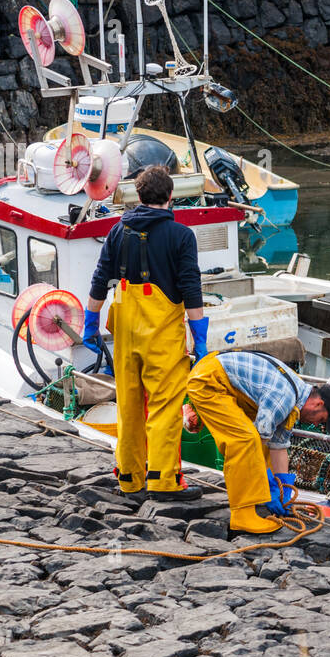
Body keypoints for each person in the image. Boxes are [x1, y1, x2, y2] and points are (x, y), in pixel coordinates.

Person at [83, 165, 209, 496]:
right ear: (170, 197)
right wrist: (201, 340)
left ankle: (129, 478)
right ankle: (163, 481)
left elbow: (100, 280)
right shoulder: (182, 236)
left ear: (138, 196)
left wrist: (90, 324)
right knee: (165, 407)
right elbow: (191, 291)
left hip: (125, 332)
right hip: (162, 336)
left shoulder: (117, 231)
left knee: (128, 405)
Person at [182, 351, 330, 534]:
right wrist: (269, 482)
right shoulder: (284, 398)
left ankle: (259, 500)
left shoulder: (294, 400)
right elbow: (257, 442)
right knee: (244, 442)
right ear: (318, 404)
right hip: (209, 379)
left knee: (258, 444)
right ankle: (242, 514)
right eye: (320, 420)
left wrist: (283, 492)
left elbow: (278, 446)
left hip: (226, 383)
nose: (315, 424)